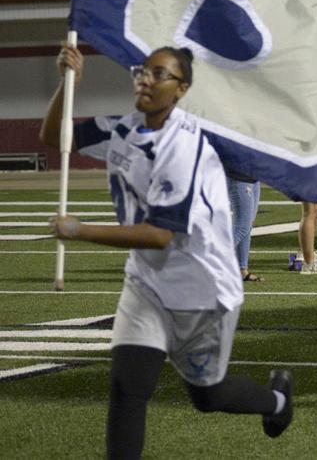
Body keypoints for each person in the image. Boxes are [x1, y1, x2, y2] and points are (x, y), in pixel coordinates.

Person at [41, 43, 293, 458]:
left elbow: (161, 234)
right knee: (127, 390)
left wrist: (80, 230)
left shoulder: (184, 146)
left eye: (160, 74)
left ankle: (277, 402)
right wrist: (68, 85)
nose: (146, 78)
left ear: (182, 89)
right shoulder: (122, 127)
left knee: (207, 396)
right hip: (147, 282)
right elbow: (55, 137)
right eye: (143, 70)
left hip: (201, 288)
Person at [225, 168, 262, 282]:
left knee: (248, 225)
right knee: (242, 227)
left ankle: (242, 270)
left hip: (253, 177)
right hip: (239, 176)